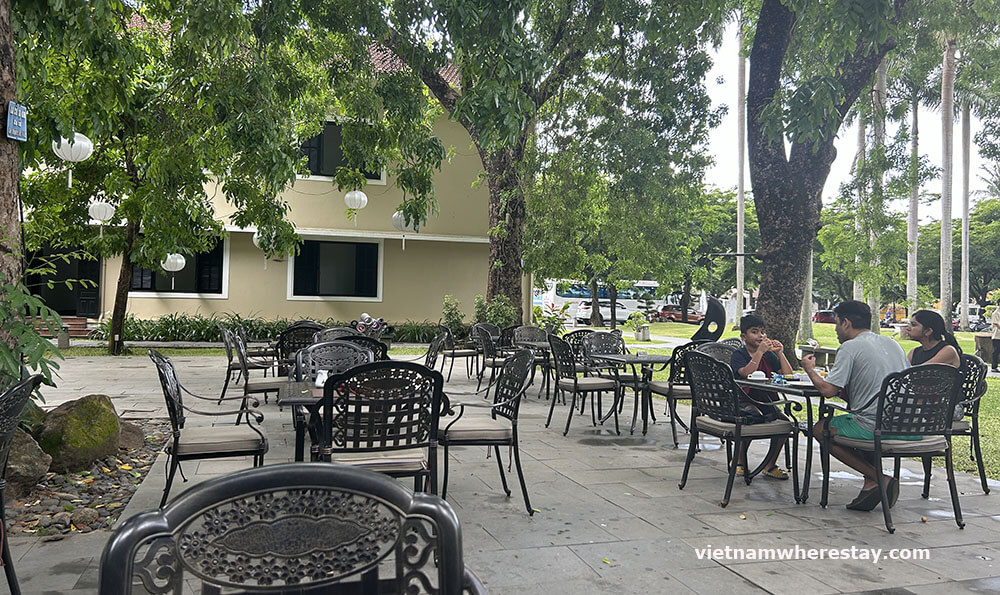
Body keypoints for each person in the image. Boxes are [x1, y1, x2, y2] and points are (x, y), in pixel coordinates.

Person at [801, 300, 911, 512]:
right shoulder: (892, 343)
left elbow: (827, 391)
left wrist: (809, 369)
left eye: (836, 323)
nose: (834, 329)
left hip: (874, 425)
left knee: (821, 429)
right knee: (852, 420)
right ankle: (871, 483)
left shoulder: (849, 347)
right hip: (906, 423)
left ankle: (877, 477)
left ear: (846, 323)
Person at [729, 314, 794, 480]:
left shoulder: (768, 355)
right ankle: (739, 461)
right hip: (744, 401)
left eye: (763, 332)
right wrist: (759, 352)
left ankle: (770, 464)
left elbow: (788, 375)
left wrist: (780, 353)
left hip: (766, 400)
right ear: (744, 336)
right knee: (752, 417)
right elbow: (745, 373)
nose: (761, 336)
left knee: (785, 423)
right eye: (754, 332)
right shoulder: (739, 355)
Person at [992, 306, 1000, 373]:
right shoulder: (996, 313)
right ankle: (994, 367)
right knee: (996, 352)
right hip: (997, 336)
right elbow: (996, 323)